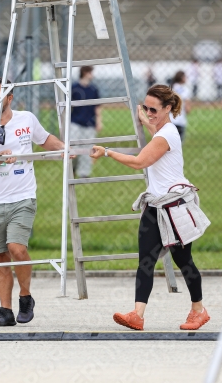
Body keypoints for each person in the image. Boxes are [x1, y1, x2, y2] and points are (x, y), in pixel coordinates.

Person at [90, 84, 211, 331]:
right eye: (146, 107)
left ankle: (199, 310)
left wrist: (107, 152)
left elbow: (139, 162)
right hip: (155, 207)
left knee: (184, 261)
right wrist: (147, 121)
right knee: (145, 260)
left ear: (167, 108)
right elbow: (157, 130)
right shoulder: (162, 129)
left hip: (174, 208)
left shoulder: (168, 134)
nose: (149, 112)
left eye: (154, 109)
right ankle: (137, 314)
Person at [0, 76, 66, 327]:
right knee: (0, 257)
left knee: (17, 248)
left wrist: (63, 148)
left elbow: (45, 139)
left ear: (9, 98)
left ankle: (25, 296)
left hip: (22, 196)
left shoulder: (26, 119)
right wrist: (1, 157)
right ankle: (5, 311)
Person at [71, 66, 102, 177]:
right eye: (91, 72)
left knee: (87, 149)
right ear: (85, 73)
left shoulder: (93, 89)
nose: (92, 75)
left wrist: (99, 121)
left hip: (89, 123)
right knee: (73, 148)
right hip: (75, 122)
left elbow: (97, 107)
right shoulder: (74, 88)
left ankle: (84, 173)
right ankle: (71, 169)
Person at [170, 71, 191, 141]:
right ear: (181, 78)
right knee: (178, 143)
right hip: (180, 119)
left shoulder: (170, 88)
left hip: (170, 119)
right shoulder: (185, 90)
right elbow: (187, 109)